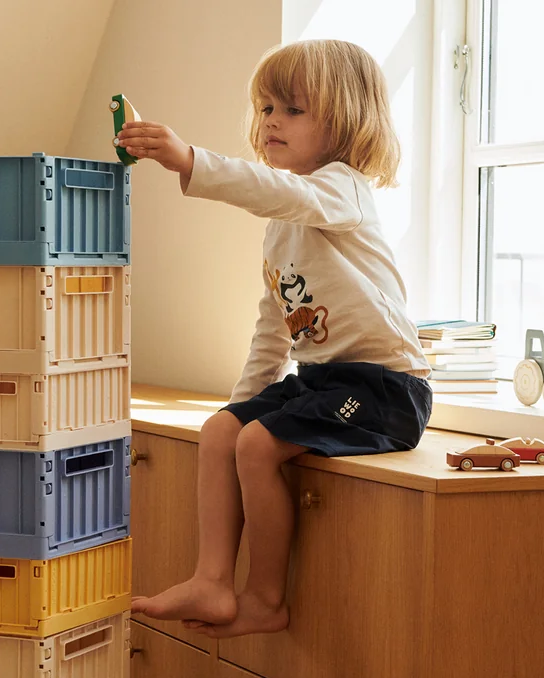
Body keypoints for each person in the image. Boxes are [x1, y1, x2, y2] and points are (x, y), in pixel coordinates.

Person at [118, 39, 431, 638]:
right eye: (265, 108)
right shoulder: (283, 226)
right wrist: (240, 407)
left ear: (342, 122)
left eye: (292, 109)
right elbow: (274, 327)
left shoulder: (343, 190)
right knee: (222, 432)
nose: (270, 122)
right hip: (322, 381)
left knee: (259, 446)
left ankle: (265, 597)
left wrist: (191, 161)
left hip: (386, 389)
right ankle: (212, 580)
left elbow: (283, 191)